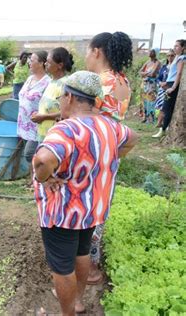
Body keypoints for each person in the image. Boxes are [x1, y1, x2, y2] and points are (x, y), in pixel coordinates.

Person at [32, 71, 138, 316]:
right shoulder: (110, 126)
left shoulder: (66, 129)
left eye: (61, 98)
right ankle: (78, 301)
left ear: (69, 97)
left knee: (61, 266)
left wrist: (44, 178)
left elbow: (43, 160)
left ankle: (67, 313)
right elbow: (133, 137)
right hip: (92, 209)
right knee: (81, 253)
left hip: (63, 212)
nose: (60, 102)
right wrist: (110, 158)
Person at [84, 31, 132, 284]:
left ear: (97, 52)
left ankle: (85, 268)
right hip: (111, 154)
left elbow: (84, 120)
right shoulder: (123, 81)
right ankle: (92, 265)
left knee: (84, 209)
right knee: (100, 208)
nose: (85, 57)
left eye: (87, 51)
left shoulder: (99, 82)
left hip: (91, 154)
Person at [17, 51, 50, 183]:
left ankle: (40, 180)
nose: (29, 62)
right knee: (31, 156)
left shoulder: (47, 82)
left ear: (42, 63)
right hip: (24, 124)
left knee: (31, 153)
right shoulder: (30, 79)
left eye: (33, 60)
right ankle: (33, 181)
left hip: (37, 125)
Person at [31, 47, 74, 142]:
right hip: (43, 133)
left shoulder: (66, 84)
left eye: (49, 62)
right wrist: (39, 114)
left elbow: (69, 112)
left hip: (55, 137)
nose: (45, 64)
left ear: (60, 65)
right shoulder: (52, 82)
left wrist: (44, 117)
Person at [152, 39, 185, 138]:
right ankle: (164, 128)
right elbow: (173, 73)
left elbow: (179, 74)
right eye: (174, 46)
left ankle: (163, 130)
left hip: (173, 85)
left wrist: (173, 87)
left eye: (177, 46)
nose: (175, 48)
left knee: (167, 108)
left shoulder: (182, 58)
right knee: (166, 107)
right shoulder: (177, 57)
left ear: (183, 48)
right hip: (169, 83)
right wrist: (166, 82)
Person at [154, 50, 175, 128]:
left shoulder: (175, 67)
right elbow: (158, 78)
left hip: (170, 89)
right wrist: (160, 83)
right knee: (160, 106)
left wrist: (167, 83)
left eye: (172, 55)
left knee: (166, 106)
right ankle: (160, 123)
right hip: (161, 89)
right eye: (168, 55)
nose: (170, 57)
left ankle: (164, 123)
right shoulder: (164, 67)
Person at [139, 49, 161, 123]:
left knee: (151, 100)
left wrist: (144, 73)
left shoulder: (157, 62)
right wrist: (147, 73)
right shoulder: (147, 62)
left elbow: (153, 73)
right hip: (145, 84)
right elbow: (140, 72)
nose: (149, 52)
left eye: (152, 51)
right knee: (145, 101)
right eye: (149, 51)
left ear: (155, 53)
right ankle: (145, 118)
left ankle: (152, 119)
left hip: (152, 84)